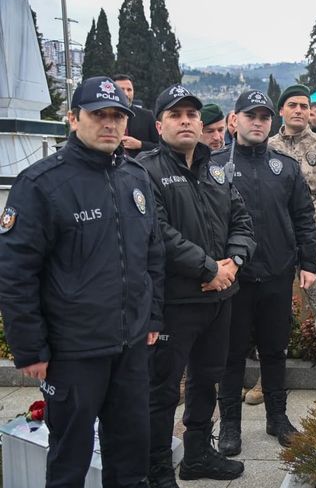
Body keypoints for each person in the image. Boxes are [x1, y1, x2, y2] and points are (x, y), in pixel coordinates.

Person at [0, 76, 164, 487]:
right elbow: (15, 273)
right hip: (73, 352)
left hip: (130, 347)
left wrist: (153, 319)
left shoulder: (136, 178)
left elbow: (153, 255)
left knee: (130, 456)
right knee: (70, 460)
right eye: (98, 115)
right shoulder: (41, 184)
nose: (110, 124)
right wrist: (30, 349)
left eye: (117, 116)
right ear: (74, 119)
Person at [137, 84, 255, 486]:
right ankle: (156, 470)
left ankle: (198, 455)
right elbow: (158, 232)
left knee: (208, 377)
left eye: (191, 114)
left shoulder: (216, 168)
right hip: (175, 302)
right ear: (159, 125)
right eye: (175, 115)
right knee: (163, 390)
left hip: (220, 298)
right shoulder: (146, 170)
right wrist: (209, 269)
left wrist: (233, 263)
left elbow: (242, 222)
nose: (186, 121)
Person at [214, 90, 316, 456]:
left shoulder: (285, 167)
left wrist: (309, 263)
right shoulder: (213, 166)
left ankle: (278, 417)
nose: (257, 122)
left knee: (275, 350)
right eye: (250, 115)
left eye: (263, 116)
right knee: (231, 355)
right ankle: (229, 426)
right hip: (232, 280)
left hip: (276, 274)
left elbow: (304, 218)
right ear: (234, 120)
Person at [269, 85, 316, 401]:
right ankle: (269, 372)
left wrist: (298, 225)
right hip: (275, 244)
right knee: (272, 309)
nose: (300, 110)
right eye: (293, 105)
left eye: (304, 105)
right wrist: (282, 228)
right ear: (282, 111)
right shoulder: (267, 146)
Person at [113, 74, 159, 157]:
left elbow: (160, 146)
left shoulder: (147, 116)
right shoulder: (104, 117)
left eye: (129, 90)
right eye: (121, 89)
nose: (126, 94)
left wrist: (140, 144)